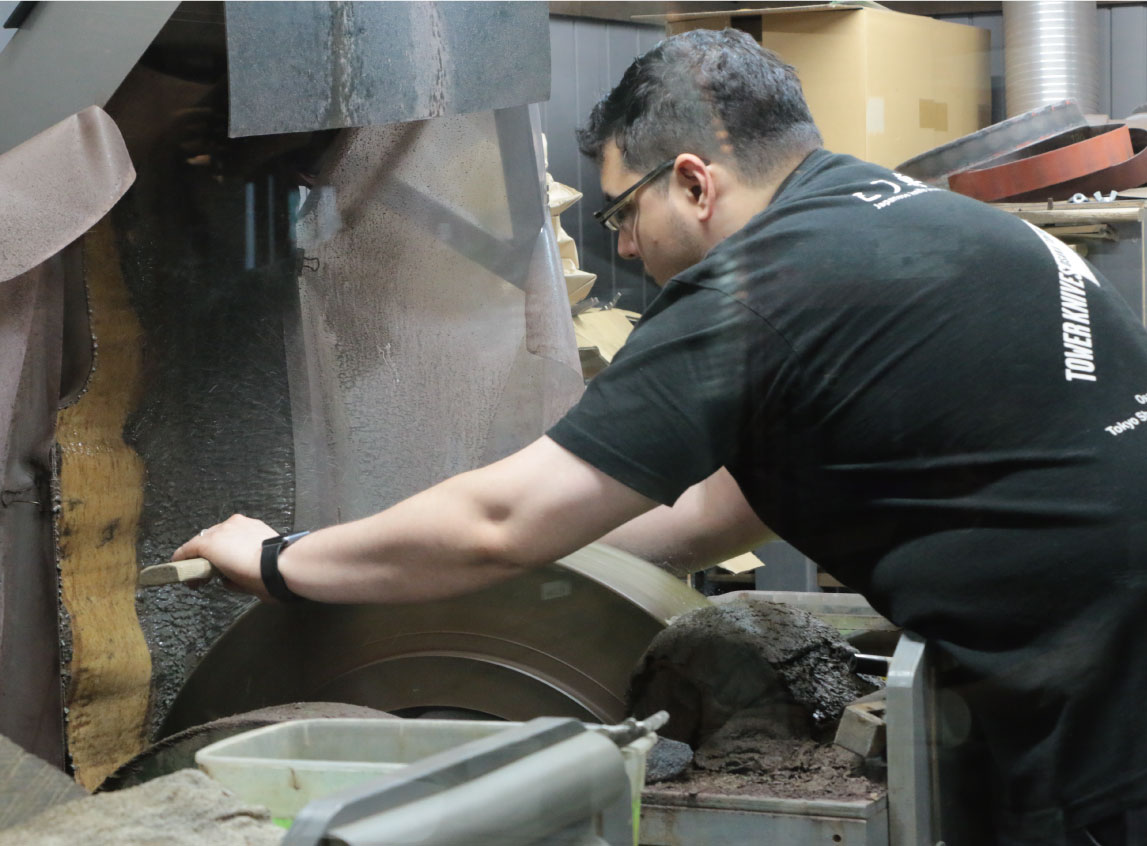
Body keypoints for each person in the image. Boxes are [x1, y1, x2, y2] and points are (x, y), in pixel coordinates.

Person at [174, 29, 1147, 846]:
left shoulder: (767, 283)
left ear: (691, 181)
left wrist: (281, 559)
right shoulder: (912, 223)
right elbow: (706, 518)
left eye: (621, 211)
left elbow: (503, 521)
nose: (626, 245)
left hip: (1111, 721)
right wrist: (433, 563)